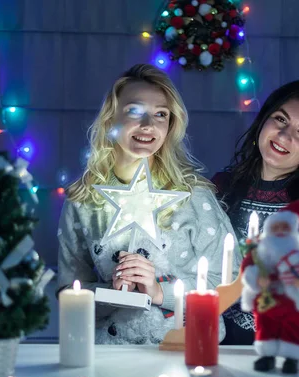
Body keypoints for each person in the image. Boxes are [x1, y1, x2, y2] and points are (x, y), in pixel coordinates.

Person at [57, 64, 240, 344]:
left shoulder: (195, 196)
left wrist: (158, 292)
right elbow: (69, 293)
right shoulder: (83, 201)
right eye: (134, 111)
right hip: (111, 355)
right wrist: (113, 294)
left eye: (160, 115)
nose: (148, 125)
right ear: (110, 119)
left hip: (188, 351)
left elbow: (229, 283)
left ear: (170, 126)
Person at [213, 79, 299, 344]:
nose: (285, 136)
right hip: (221, 341)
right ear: (264, 120)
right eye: (280, 119)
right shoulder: (222, 186)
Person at [241, 197, 299, 374]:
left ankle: (292, 358)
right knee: (266, 326)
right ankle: (267, 356)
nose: (280, 232)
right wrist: (257, 278)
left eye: (285, 228)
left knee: (293, 328)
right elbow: (247, 268)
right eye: (276, 228)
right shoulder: (260, 252)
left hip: (290, 300)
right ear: (268, 230)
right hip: (267, 298)